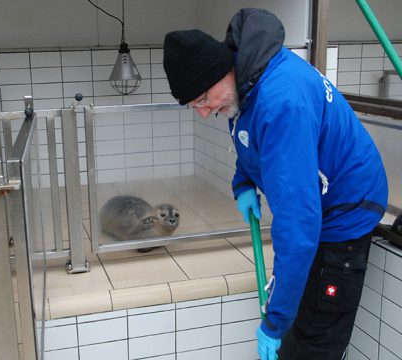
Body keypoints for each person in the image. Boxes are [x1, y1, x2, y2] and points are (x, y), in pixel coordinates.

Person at [163, 8, 388, 360]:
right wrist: (243, 181)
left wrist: (274, 323)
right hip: (320, 200)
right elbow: (249, 136)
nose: (204, 113)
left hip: (347, 209)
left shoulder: (282, 104)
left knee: (315, 336)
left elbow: (298, 228)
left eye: (204, 100)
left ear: (223, 73)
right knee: (298, 304)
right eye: (195, 106)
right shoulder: (246, 79)